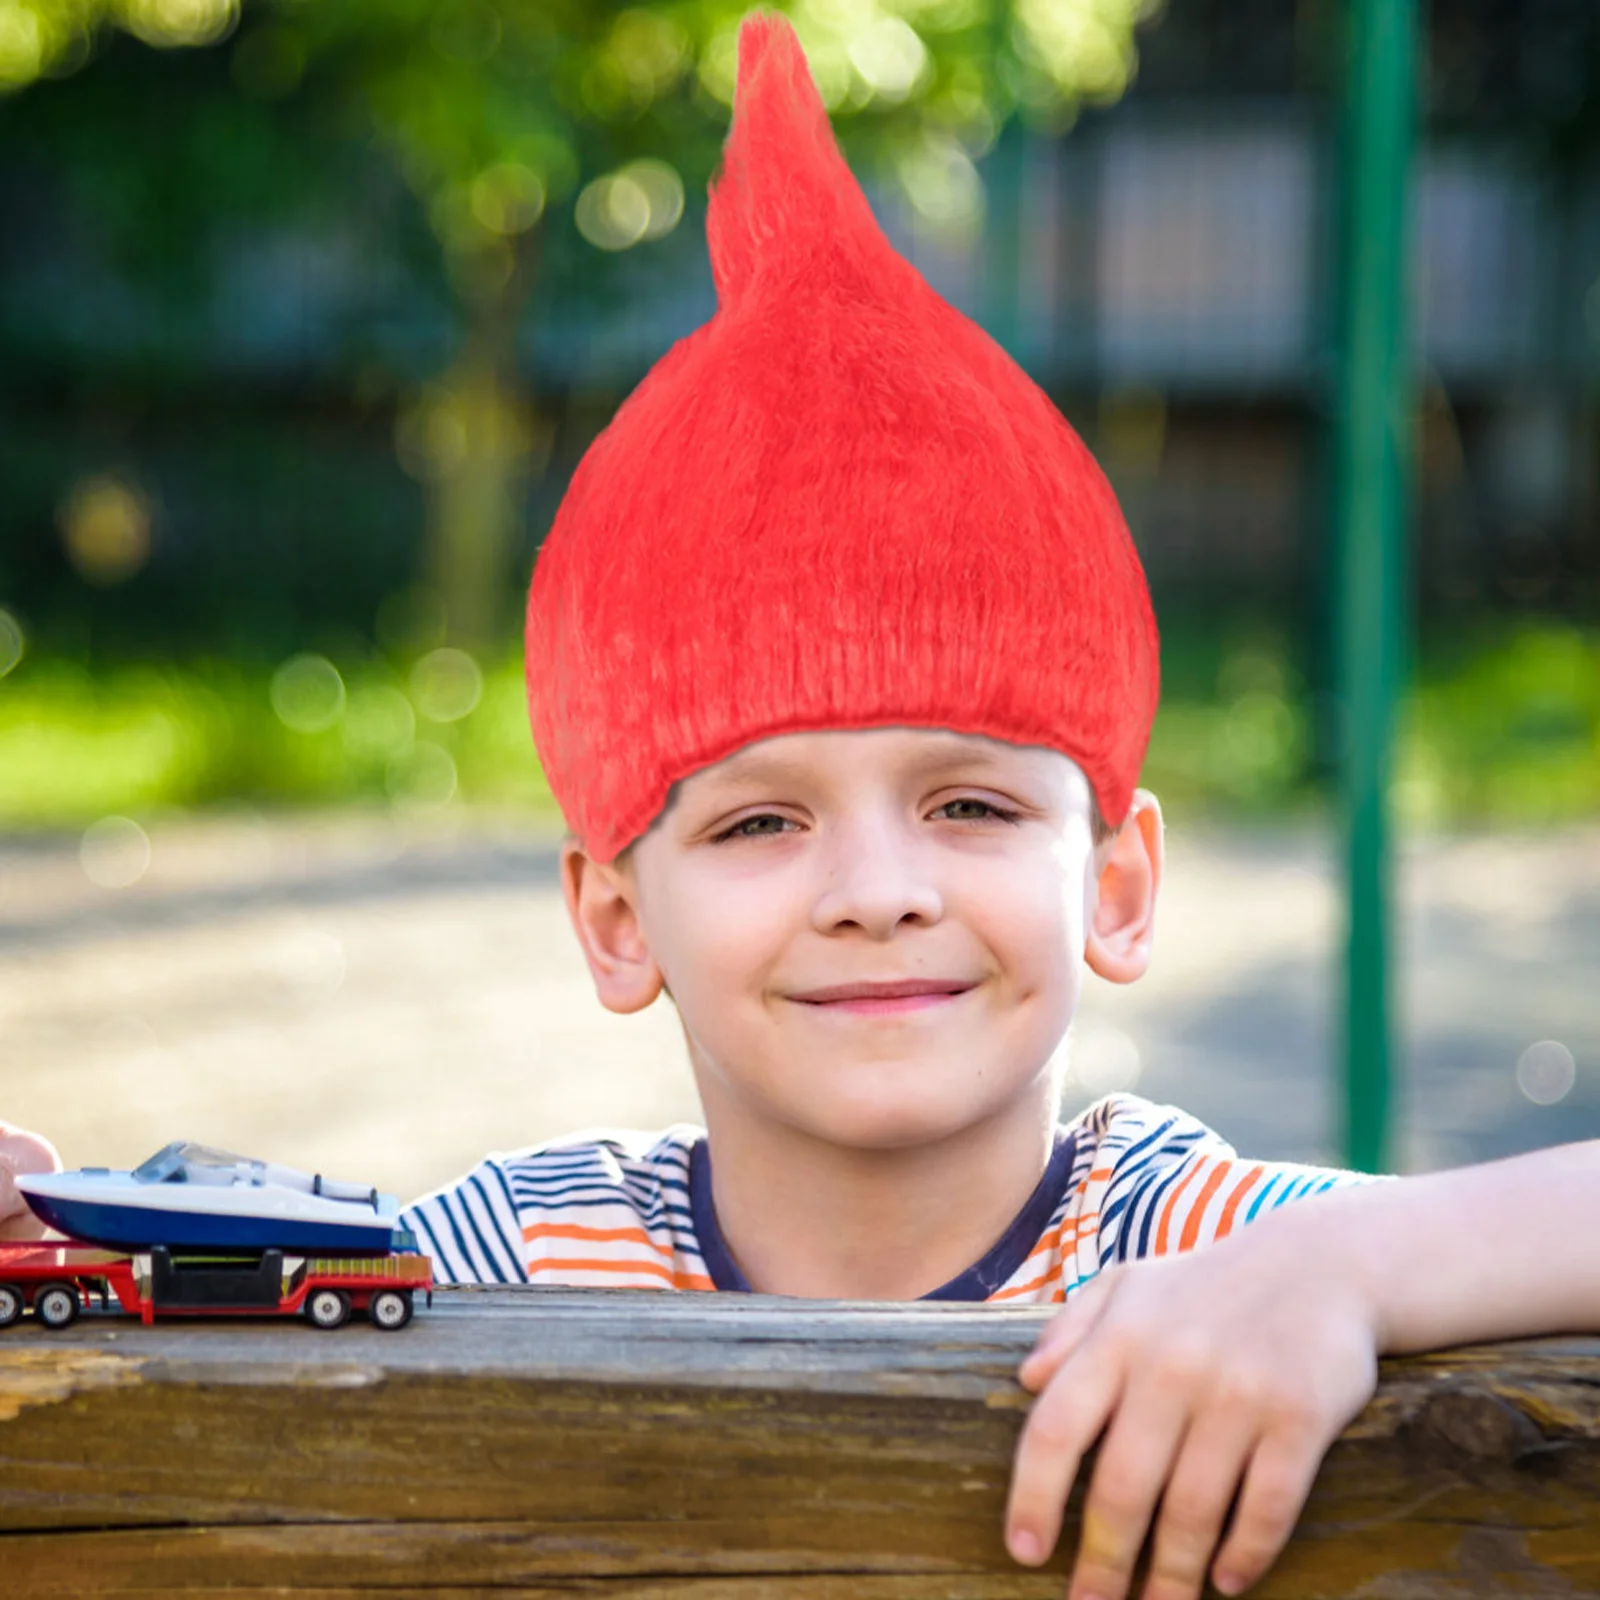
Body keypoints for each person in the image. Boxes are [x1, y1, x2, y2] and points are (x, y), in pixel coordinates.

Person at [6, 12, 1599, 1600]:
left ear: (1116, 883)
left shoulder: (1199, 1246)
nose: (878, 887)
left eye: (970, 804)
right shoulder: (522, 1253)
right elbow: (238, 1279)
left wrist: (1347, 1266)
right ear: (617, 921)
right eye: (759, 823)